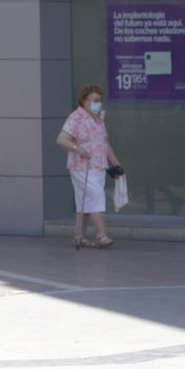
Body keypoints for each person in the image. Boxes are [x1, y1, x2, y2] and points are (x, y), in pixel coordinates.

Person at [57, 84, 121, 249]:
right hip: (81, 166)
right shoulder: (76, 118)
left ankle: (79, 237)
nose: (98, 104)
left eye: (100, 100)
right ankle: (101, 235)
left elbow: (105, 145)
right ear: (84, 101)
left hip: (99, 166)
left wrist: (116, 164)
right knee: (96, 196)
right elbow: (62, 139)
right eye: (95, 100)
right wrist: (78, 149)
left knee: (85, 202)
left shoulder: (98, 119)